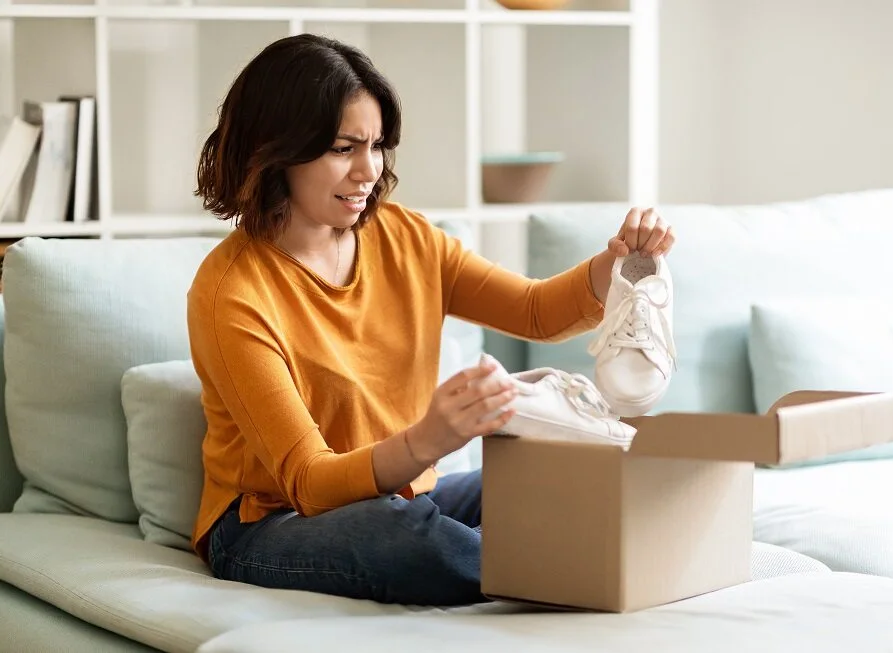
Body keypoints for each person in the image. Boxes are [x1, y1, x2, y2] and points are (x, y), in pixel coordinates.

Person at [187, 33, 676, 607]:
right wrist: (429, 440)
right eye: (344, 148)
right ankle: (570, 567)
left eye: (376, 146)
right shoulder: (232, 293)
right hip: (270, 523)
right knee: (401, 536)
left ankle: (553, 557)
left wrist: (616, 261)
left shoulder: (405, 237)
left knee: (567, 475)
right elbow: (309, 482)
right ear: (278, 150)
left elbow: (536, 312)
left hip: (404, 496)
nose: (368, 171)